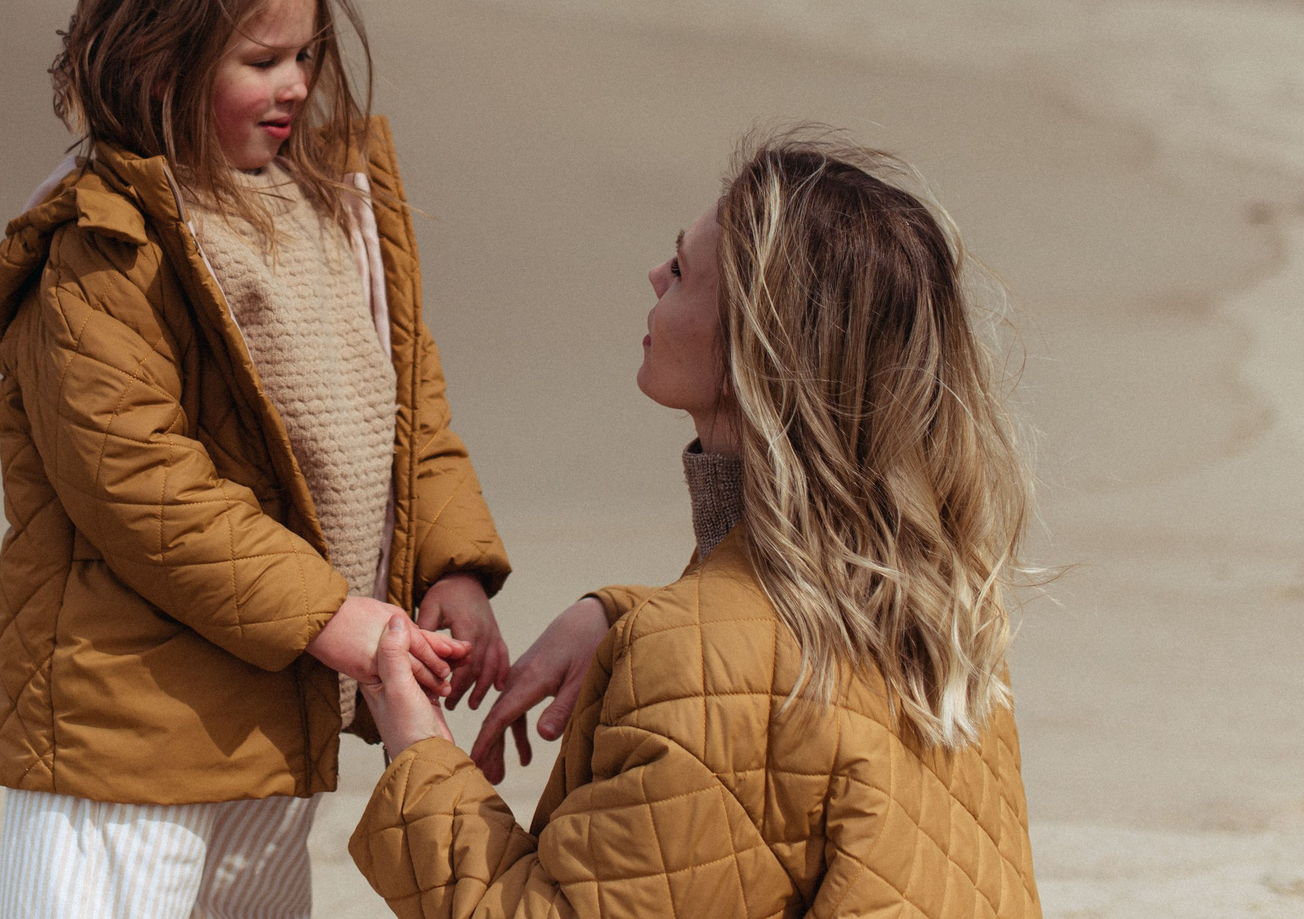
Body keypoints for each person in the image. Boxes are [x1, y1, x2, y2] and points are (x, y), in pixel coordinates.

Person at [0, 0, 514, 918]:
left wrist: (450, 565)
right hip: (127, 726)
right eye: (260, 60)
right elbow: (139, 483)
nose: (294, 86)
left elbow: (407, 406)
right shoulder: (101, 245)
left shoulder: (329, 208)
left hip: (278, 707)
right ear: (157, 61)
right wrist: (328, 613)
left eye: (306, 54)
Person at [349, 134, 1043, 918]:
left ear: (747, 352)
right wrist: (620, 618)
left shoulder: (700, 654)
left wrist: (414, 735)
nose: (654, 274)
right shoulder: (943, 611)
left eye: (680, 270)